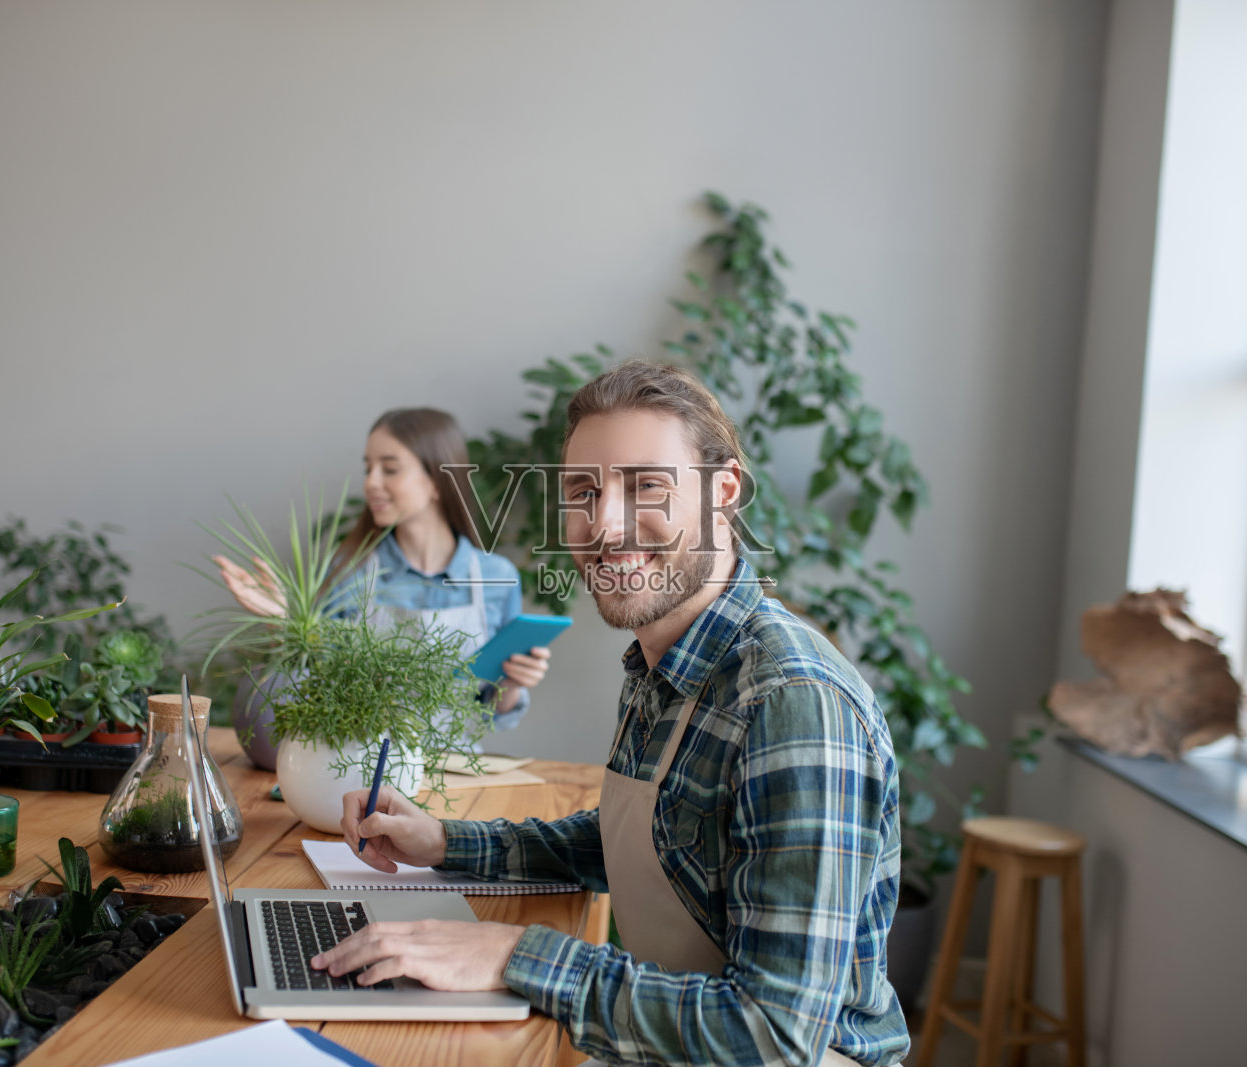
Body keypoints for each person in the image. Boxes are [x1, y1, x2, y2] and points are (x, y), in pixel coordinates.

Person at [312, 364, 908, 1066]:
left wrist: (513, 952)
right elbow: (645, 845)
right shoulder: (661, 662)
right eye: (583, 492)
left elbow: (773, 1036)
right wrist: (444, 841)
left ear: (723, 493)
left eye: (646, 485)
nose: (606, 524)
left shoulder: (791, 703)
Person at [216, 407, 549, 728]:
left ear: (437, 480)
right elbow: (315, 685)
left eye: (389, 469)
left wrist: (514, 683)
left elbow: (493, 713)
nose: (371, 482)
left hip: (459, 772)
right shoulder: (351, 571)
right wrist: (283, 623)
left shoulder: (498, 578)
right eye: (368, 469)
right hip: (362, 772)